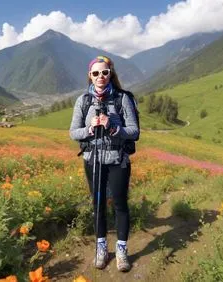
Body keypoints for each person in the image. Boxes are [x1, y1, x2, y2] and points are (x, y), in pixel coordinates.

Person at [69, 55, 139, 272]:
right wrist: (90, 129)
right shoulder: (83, 101)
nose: (101, 76)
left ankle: (121, 250)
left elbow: (134, 132)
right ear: (90, 76)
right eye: (96, 73)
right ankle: (101, 247)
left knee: (120, 204)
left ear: (111, 74)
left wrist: (113, 127)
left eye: (105, 72)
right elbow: (73, 133)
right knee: (97, 205)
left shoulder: (122, 99)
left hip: (118, 160)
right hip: (93, 161)